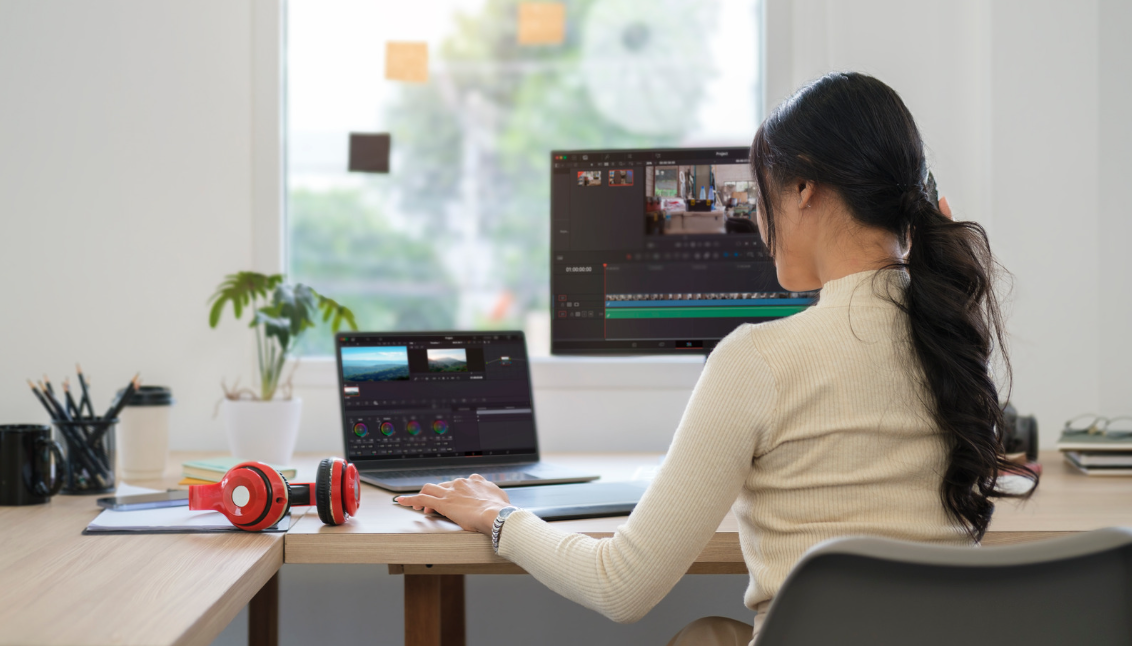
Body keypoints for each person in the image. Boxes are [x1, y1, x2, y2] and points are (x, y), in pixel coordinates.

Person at [396, 72, 1038, 646]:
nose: (760, 226)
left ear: (805, 188)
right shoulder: (952, 340)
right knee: (707, 634)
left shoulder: (759, 359)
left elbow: (621, 585)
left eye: (761, 199)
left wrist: (500, 515)